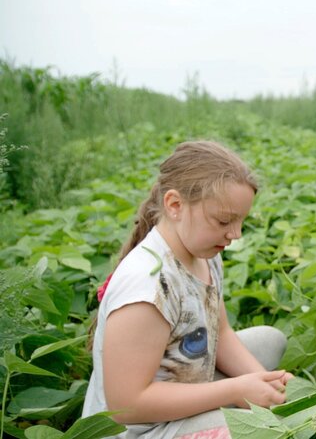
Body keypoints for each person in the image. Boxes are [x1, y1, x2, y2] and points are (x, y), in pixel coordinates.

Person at [82, 141, 292, 439]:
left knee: (270, 341)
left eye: (241, 221)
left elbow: (221, 334)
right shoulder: (147, 287)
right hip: (141, 428)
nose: (235, 234)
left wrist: (266, 384)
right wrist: (234, 390)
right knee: (263, 432)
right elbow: (126, 407)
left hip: (183, 382)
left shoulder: (203, 252)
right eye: (224, 220)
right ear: (175, 205)